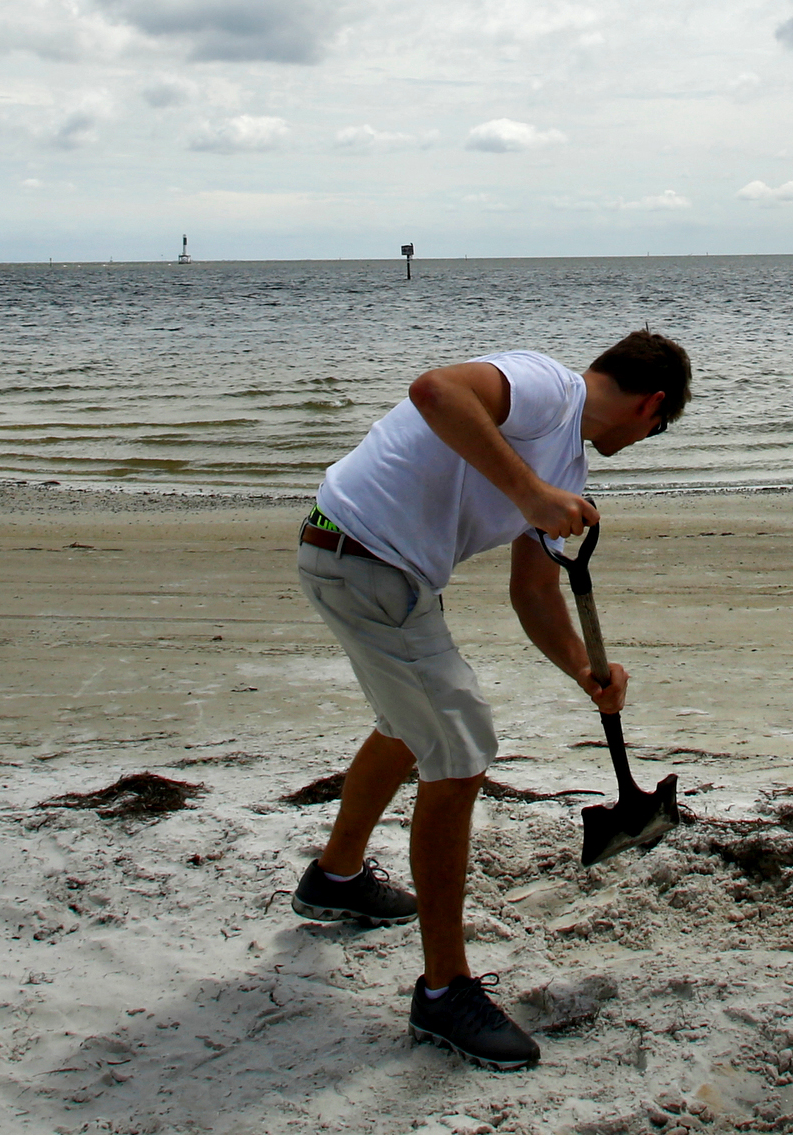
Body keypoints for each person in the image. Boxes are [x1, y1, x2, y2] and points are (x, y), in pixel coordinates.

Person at [289, 329, 693, 1072]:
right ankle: (444, 992)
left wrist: (585, 668)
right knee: (462, 751)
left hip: (371, 566)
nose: (646, 440)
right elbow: (435, 390)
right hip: (365, 557)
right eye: (658, 429)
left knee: (411, 726)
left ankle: (336, 877)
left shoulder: (567, 464)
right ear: (652, 405)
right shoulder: (546, 388)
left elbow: (534, 590)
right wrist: (530, 493)